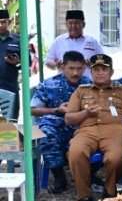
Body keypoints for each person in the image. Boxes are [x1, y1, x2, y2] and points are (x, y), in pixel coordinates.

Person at [65, 54, 122, 201]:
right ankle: (84, 195)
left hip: (114, 131)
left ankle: (109, 192)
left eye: (104, 69)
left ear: (111, 72)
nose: (100, 72)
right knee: (75, 153)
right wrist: (86, 112)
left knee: (115, 158)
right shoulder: (81, 91)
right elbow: (69, 118)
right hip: (86, 131)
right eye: (96, 69)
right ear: (91, 72)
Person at [31, 50, 90, 192]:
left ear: (84, 68)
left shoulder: (90, 86)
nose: (75, 73)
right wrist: (56, 110)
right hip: (58, 128)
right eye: (71, 68)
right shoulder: (49, 85)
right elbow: (32, 109)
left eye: (79, 68)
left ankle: (90, 175)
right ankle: (59, 177)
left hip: (84, 128)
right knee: (45, 131)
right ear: (63, 67)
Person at [46, 10, 103, 76]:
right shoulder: (58, 41)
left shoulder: (93, 41)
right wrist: (56, 65)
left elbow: (103, 62)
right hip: (64, 85)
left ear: (84, 24)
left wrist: (93, 64)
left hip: (88, 84)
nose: (73, 26)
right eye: (70, 23)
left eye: (77, 23)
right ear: (66, 25)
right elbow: (48, 62)